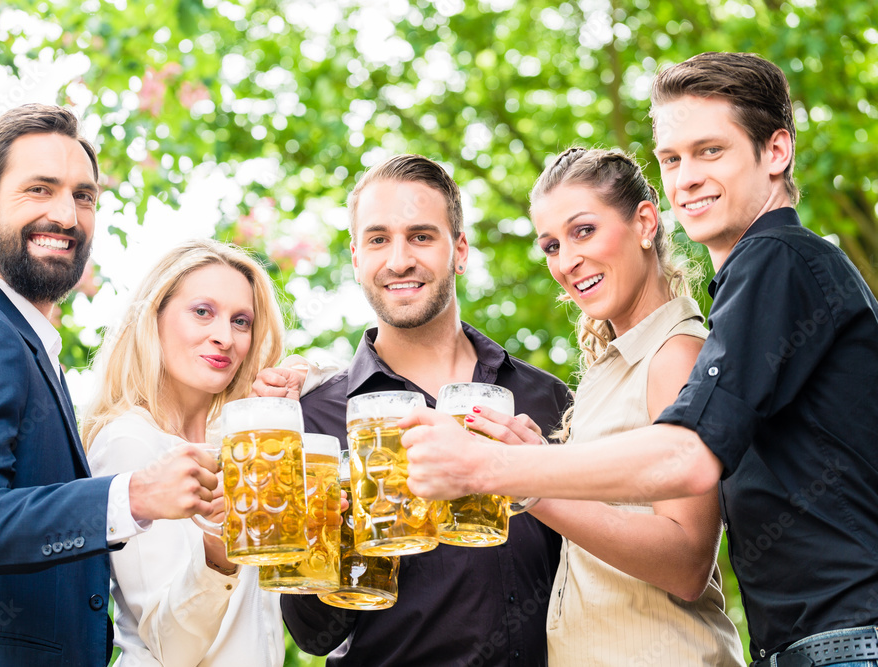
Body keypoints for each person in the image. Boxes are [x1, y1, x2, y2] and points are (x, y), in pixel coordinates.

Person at [401, 52, 878, 667]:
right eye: (672, 159)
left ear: (776, 152)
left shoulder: (776, 259)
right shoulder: (754, 281)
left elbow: (688, 457)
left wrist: (496, 469)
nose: (686, 178)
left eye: (711, 151)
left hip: (844, 642)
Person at [0, 104, 220, 666]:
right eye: (39, 189)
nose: (66, 215)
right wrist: (132, 495)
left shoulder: (22, 341)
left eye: (83, 196)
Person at [280, 154, 571, 667]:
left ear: (459, 251)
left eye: (420, 236)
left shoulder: (544, 399)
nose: (398, 260)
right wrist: (339, 538)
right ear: (354, 256)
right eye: (377, 239)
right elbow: (313, 637)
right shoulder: (313, 420)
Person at [503, 146, 743, 664]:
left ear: (645, 223)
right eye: (550, 245)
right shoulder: (612, 367)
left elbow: (686, 562)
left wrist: (531, 486)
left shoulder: (675, 355)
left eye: (584, 231)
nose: (566, 261)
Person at [83, 239, 290, 666]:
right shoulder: (131, 442)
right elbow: (169, 646)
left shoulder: (238, 446)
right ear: (154, 318)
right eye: (202, 312)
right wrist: (218, 551)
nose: (224, 338)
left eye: (241, 321)